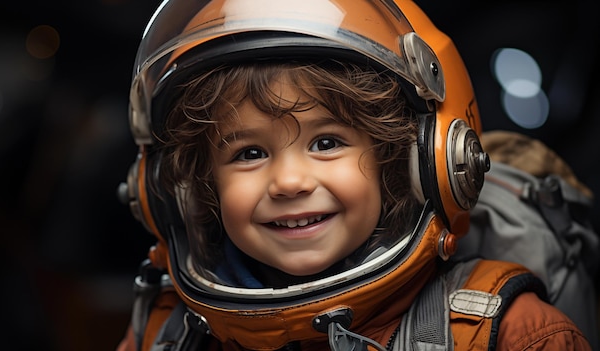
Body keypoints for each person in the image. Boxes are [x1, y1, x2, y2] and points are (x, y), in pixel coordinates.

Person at [116, 0, 593, 350]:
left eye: (326, 143)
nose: (289, 182)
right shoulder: (163, 333)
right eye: (249, 152)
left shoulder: (511, 334)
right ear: (189, 192)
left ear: (416, 164)